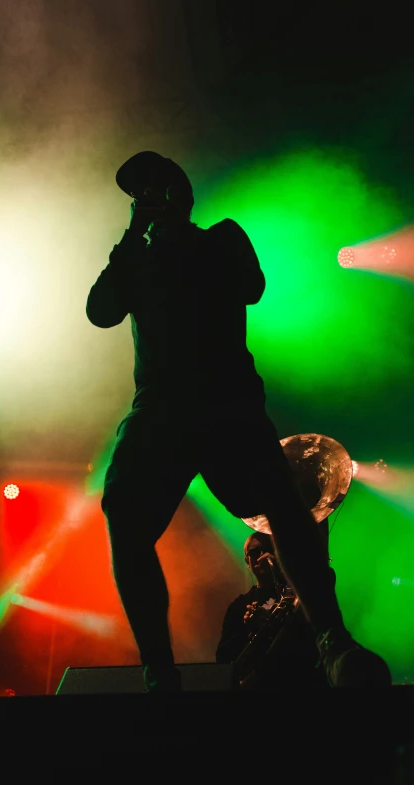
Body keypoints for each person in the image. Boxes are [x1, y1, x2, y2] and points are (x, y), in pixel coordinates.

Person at [86, 150, 391, 692]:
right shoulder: (136, 257)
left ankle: (332, 642)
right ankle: (159, 669)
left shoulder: (219, 238)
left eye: (152, 191)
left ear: (177, 196)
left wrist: (173, 244)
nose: (142, 202)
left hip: (226, 399)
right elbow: (101, 309)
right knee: (124, 515)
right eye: (137, 196)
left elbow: (252, 286)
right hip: (159, 405)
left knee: (282, 504)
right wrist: (133, 238)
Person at [216, 531, 330, 690]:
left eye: (269, 549)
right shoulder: (238, 606)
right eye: (255, 552)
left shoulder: (298, 594)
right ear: (247, 561)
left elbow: (315, 641)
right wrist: (248, 628)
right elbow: (223, 658)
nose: (263, 555)